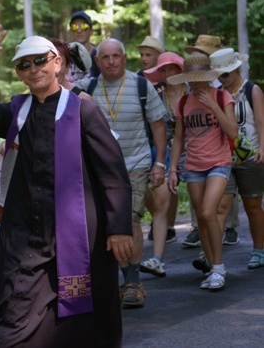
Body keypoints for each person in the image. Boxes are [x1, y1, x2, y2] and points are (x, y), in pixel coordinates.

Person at [0, 25, 132, 347]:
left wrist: (119, 228)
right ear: (19, 74)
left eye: (40, 61)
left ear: (57, 64)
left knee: (79, 318)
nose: (33, 69)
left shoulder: (84, 111)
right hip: (25, 232)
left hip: (78, 234)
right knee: (13, 308)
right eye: (24, 64)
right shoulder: (16, 111)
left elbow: (113, 175)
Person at [74, 38, 167, 307]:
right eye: (105, 57)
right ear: (97, 61)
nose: (111, 61)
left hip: (135, 166)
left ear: (125, 58)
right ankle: (123, 278)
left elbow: (158, 126)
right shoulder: (85, 88)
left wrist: (159, 163)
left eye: (116, 56)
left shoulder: (141, 86)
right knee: (104, 224)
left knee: (129, 220)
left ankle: (133, 282)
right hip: (98, 169)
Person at [167, 53, 238, 290]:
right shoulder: (183, 102)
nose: (196, 83)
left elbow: (233, 132)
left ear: (208, 77)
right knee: (201, 218)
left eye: (200, 78)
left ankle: (219, 268)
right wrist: (172, 169)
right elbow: (178, 139)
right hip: (193, 166)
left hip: (219, 163)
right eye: (192, 78)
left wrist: (212, 105)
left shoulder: (221, 95)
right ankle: (212, 267)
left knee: (209, 213)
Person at [210, 48, 264, 269]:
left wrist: (263, 147)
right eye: (219, 75)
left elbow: (261, 122)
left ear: (236, 68)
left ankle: (259, 250)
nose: (222, 78)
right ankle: (213, 257)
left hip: (249, 154)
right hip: (223, 156)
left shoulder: (252, 90)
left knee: (252, 205)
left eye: (225, 74)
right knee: (221, 205)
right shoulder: (218, 92)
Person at [139, 53, 187, 277]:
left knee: (202, 207)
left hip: (195, 150)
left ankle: (209, 255)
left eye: (173, 69)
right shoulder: (155, 93)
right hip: (163, 152)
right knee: (160, 203)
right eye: (164, 70)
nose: (169, 74)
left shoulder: (193, 91)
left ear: (181, 70)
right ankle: (157, 259)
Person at [68, 10, 98, 79]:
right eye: (74, 27)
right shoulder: (65, 56)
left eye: (84, 27)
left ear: (91, 31)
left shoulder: (98, 55)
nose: (79, 31)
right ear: (70, 32)